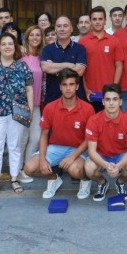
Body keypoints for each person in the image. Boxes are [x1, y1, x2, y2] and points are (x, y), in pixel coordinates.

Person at [24, 69, 95, 199]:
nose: (68, 88)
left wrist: (72, 156)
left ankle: (85, 180)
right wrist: (42, 160)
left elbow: (89, 139)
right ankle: (54, 178)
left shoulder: (87, 108)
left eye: (71, 84)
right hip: (56, 147)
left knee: (75, 170)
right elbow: (44, 135)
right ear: (60, 87)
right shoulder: (50, 107)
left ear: (77, 86)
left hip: (78, 149)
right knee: (29, 168)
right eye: (64, 84)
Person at [0, 32, 34, 198]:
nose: (7, 47)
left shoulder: (22, 66)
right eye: (4, 44)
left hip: (17, 113)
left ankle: (14, 178)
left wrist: (29, 109)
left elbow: (29, 88)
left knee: (15, 147)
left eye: (10, 44)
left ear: (15, 47)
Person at [84, 83, 127, 201]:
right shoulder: (93, 120)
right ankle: (102, 183)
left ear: (120, 102)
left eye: (115, 99)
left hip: (121, 155)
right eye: (108, 99)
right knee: (89, 167)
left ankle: (120, 182)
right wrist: (107, 165)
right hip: (101, 155)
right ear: (103, 101)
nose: (111, 103)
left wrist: (118, 166)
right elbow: (91, 151)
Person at [79, 6, 124, 111]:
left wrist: (114, 88)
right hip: (90, 94)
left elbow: (119, 66)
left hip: (110, 94)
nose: (97, 22)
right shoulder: (82, 42)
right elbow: (81, 69)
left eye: (100, 19)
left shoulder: (114, 41)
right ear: (90, 21)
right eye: (94, 19)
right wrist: (85, 90)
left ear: (105, 21)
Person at [18, 25, 45, 184]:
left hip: (36, 104)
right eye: (32, 35)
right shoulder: (21, 57)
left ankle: (26, 167)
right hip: (22, 104)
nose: (35, 38)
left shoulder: (42, 57)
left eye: (38, 35)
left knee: (35, 137)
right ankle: (18, 170)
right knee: (22, 139)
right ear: (27, 37)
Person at [41, 16, 87, 104]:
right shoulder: (47, 49)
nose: (62, 29)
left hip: (76, 100)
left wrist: (55, 68)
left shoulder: (80, 49)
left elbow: (80, 71)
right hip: (52, 99)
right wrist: (69, 65)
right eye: (59, 26)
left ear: (71, 29)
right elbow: (46, 68)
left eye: (65, 26)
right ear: (55, 29)